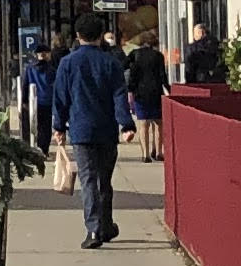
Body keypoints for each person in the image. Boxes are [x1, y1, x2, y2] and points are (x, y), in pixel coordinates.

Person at [52, 13, 130, 247]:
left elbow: (61, 97)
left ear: (78, 36)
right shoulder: (110, 63)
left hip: (81, 129)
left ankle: (94, 229)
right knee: (104, 181)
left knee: (88, 180)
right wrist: (126, 124)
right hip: (106, 129)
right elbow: (120, 96)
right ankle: (106, 225)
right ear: (100, 36)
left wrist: (59, 126)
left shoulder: (68, 63)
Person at [123, 25, 170, 151]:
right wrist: (168, 89)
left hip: (140, 93)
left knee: (143, 123)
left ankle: (146, 153)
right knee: (158, 123)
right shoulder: (158, 56)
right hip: (155, 92)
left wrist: (130, 89)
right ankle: (158, 151)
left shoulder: (135, 55)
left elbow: (127, 69)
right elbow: (162, 75)